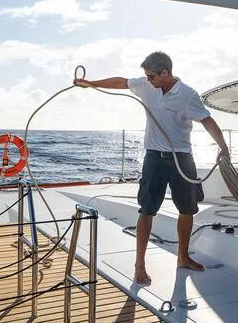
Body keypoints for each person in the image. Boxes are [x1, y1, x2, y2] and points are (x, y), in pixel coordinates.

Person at [74, 51, 228, 286]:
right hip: (154, 159)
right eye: (146, 76)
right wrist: (91, 84)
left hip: (182, 159)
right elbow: (121, 82)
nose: (147, 80)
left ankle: (183, 257)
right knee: (147, 210)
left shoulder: (187, 95)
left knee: (187, 209)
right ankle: (139, 266)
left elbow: (207, 121)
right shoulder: (147, 86)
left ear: (165, 73)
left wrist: (223, 147)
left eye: (151, 76)